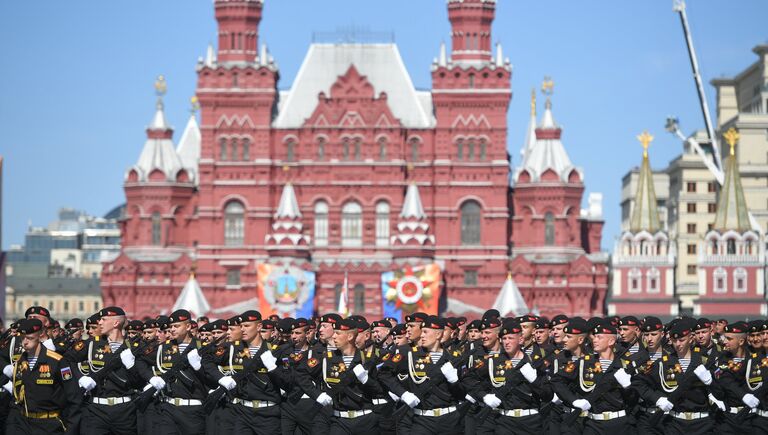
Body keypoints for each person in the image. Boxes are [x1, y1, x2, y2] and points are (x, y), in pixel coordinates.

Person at [379, 315, 466, 435]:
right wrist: (403, 394)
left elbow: (461, 395)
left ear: (438, 335)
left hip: (450, 420)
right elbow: (384, 373)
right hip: (422, 420)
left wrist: (454, 381)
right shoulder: (409, 354)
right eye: (422, 331)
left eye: (425, 332)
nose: (422, 335)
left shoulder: (453, 357)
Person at [296, 317, 382, 435]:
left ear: (350, 337)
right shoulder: (327, 357)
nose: (334, 336)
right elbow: (301, 374)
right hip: (339, 421)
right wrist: (317, 395)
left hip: (365, 421)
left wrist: (366, 380)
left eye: (338, 333)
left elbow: (379, 390)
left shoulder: (367, 359)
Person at [468, 318, 552, 435]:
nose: (506, 342)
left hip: (531, 422)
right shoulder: (493, 362)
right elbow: (469, 380)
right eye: (504, 338)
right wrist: (484, 396)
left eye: (511, 338)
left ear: (521, 339)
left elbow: (548, 395)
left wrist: (534, 381)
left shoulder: (534, 363)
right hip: (504, 421)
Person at [4, 318, 81, 435]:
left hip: (50, 425)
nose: (24, 342)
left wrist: (70, 430)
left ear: (40, 336)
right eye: (22, 338)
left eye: (29, 338)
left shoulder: (57, 361)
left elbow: (74, 398)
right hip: (23, 424)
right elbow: (17, 400)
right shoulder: (20, 362)